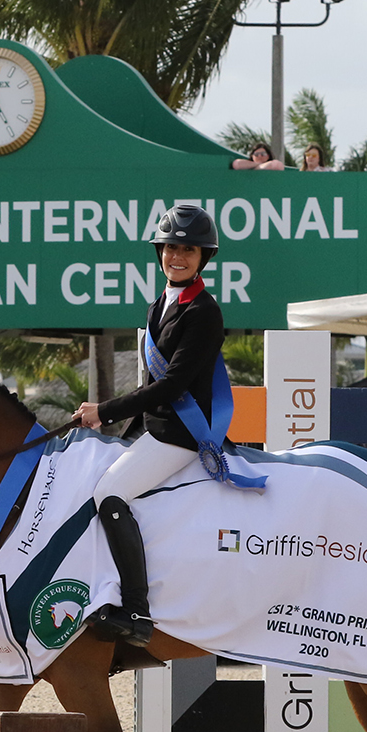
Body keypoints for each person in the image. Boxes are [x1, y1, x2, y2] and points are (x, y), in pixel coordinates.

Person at [73, 203, 250, 647]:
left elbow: (171, 386)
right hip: (154, 428)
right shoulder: (160, 305)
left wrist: (105, 411)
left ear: (203, 257)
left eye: (188, 249)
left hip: (181, 434)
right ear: (160, 251)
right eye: (171, 247)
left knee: (109, 493)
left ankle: (135, 610)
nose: (178, 256)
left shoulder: (203, 312)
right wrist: (120, 428)